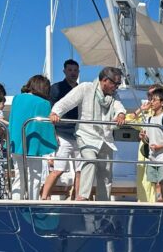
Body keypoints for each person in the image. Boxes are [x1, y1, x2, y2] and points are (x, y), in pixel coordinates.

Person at [47, 66, 127, 201]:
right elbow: (67, 101)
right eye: (116, 83)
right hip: (86, 135)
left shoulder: (114, 96)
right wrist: (55, 113)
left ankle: (104, 202)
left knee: (106, 172)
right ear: (105, 81)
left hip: (105, 138)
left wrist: (120, 115)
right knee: (90, 161)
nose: (117, 87)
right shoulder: (86, 88)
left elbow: (119, 107)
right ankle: (82, 197)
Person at [8, 75, 57, 200]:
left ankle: (16, 205)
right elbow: (45, 127)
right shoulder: (44, 103)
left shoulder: (17, 98)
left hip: (16, 142)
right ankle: (32, 204)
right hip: (34, 145)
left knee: (19, 177)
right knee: (34, 178)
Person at [45, 59, 81, 198]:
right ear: (64, 71)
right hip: (62, 134)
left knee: (80, 170)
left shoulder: (80, 89)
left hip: (78, 134)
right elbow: (50, 110)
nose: (73, 73)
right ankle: (44, 196)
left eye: (75, 70)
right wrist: (53, 132)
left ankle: (78, 198)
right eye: (70, 70)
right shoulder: (55, 88)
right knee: (58, 169)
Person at [139, 87, 163, 202]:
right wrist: (143, 137)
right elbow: (147, 140)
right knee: (156, 186)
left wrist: (159, 146)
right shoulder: (149, 119)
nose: (151, 102)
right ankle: (159, 206)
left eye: (154, 100)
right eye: (151, 99)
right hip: (153, 158)